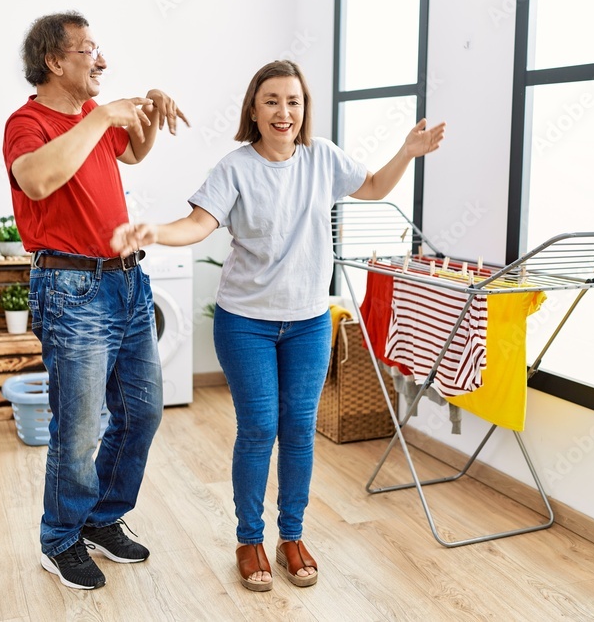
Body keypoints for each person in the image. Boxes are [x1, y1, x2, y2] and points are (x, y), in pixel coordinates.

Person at [111, 60, 444, 592]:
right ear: (254, 109)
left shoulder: (323, 159)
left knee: (298, 432)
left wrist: (407, 151)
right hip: (247, 323)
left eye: (293, 101)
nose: (283, 112)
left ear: (304, 109)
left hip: (309, 321)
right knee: (260, 428)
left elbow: (376, 186)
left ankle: (292, 536)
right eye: (271, 101)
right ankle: (249, 540)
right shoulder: (235, 168)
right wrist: (153, 230)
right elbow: (199, 223)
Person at [1, 11, 189, 590]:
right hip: (71, 288)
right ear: (55, 62)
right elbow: (35, 180)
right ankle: (59, 539)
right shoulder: (26, 122)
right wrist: (103, 114)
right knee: (80, 428)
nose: (101, 61)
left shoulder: (91, 117)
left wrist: (147, 115)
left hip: (127, 282)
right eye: (88, 51)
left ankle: (102, 519)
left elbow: (133, 154)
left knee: (142, 413)